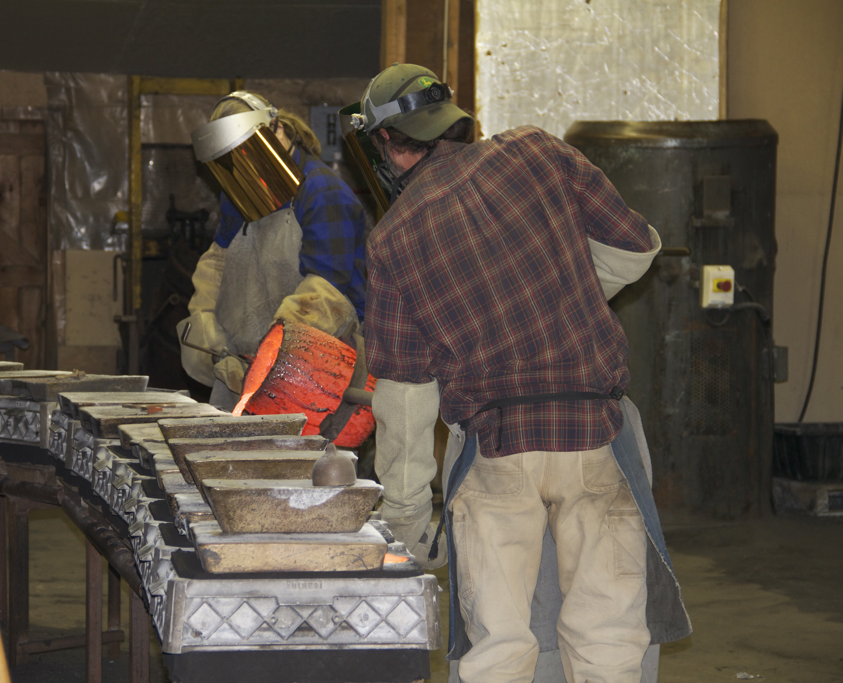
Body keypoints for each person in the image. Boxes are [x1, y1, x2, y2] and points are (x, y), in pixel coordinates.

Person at [349, 64, 691, 682]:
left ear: (388, 145)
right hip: (592, 429)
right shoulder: (537, 151)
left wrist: (403, 517)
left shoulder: (392, 240)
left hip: (497, 448)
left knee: (499, 645)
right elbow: (636, 247)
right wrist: (568, 295)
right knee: (609, 635)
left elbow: (404, 397)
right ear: (449, 120)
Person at [178, 92, 368, 411]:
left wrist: (269, 359)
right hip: (243, 369)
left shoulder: (324, 193)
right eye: (232, 161)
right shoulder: (241, 190)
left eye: (247, 153)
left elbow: (324, 295)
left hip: (317, 374)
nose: (244, 167)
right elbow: (217, 263)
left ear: (277, 130)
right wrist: (208, 332)